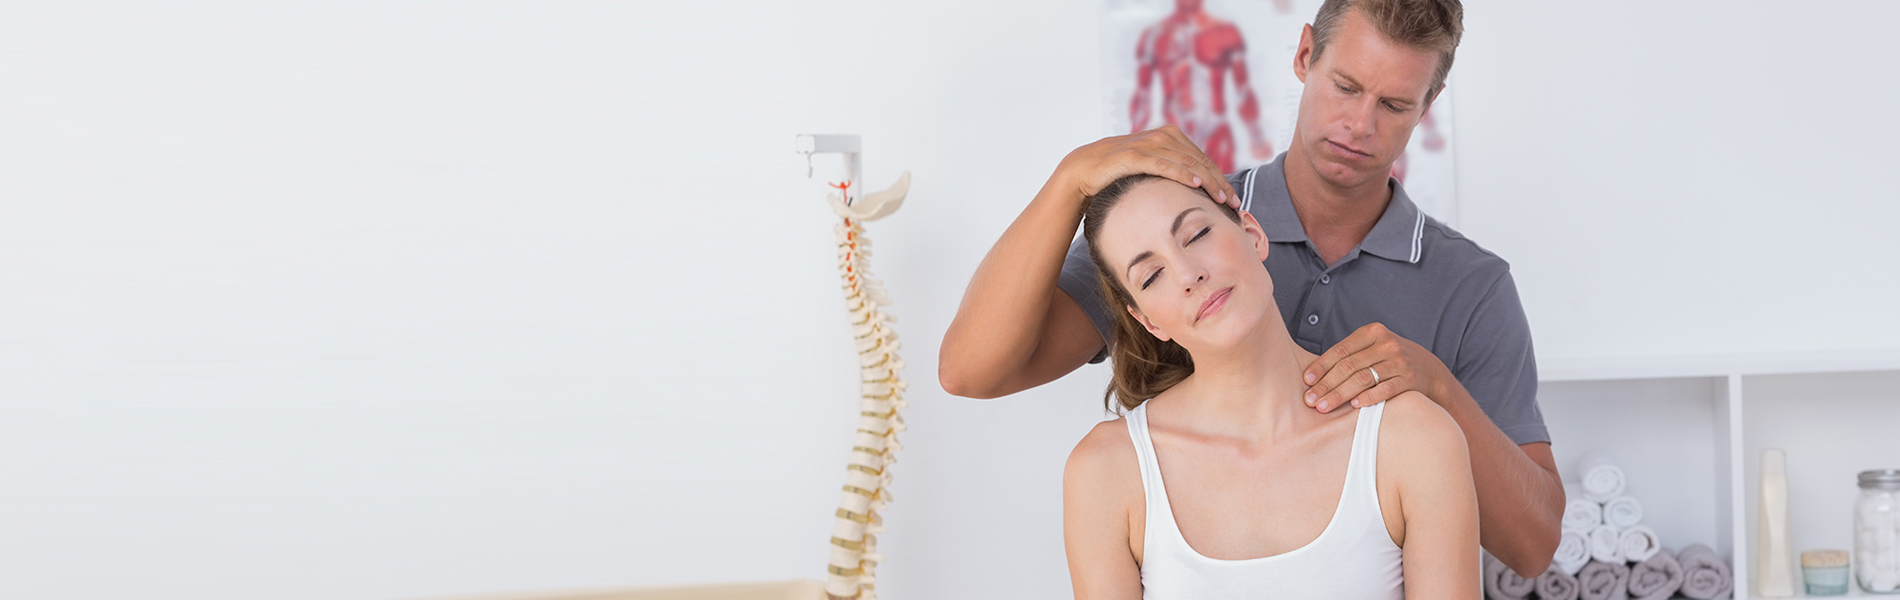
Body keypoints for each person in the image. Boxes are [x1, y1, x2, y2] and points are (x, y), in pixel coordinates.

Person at [940, 0, 1564, 576]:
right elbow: (970, 372)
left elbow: (1533, 548)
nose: (1359, 124)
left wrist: (1436, 386)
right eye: (1346, 87)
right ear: (1304, 56)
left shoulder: (1472, 286)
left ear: (1428, 104)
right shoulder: (1188, 225)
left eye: (1394, 104)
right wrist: (1070, 179)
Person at [1062, 174, 1477, 598]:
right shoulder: (1106, 470)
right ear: (1148, 321)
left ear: (1253, 235)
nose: (1188, 274)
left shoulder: (1414, 438)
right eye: (1152, 276)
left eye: (1197, 235)